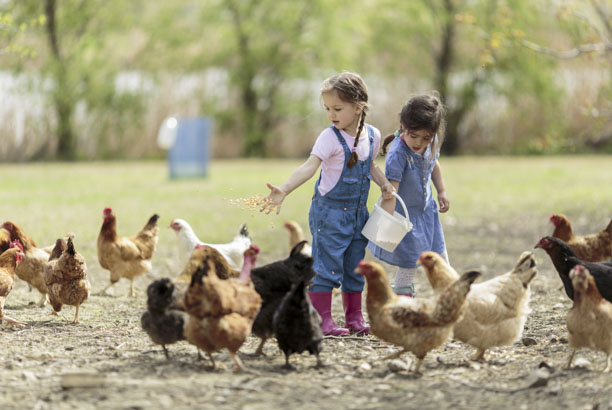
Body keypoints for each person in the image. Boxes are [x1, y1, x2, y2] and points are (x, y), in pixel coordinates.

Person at [260, 72, 395, 336]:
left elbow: (370, 166)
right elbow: (310, 167)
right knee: (326, 267)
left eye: (337, 108)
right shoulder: (329, 138)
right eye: (327, 109)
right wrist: (284, 189)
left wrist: (384, 184)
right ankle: (322, 319)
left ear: (358, 107)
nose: (331, 114)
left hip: (359, 214)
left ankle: (354, 317)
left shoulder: (372, 135)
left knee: (355, 266)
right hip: (329, 214)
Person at [371, 93, 450, 297]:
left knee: (440, 254)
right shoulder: (398, 154)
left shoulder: (431, 143)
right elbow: (392, 192)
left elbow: (433, 164)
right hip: (406, 217)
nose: (419, 142)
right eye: (413, 136)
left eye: (425, 137)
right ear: (403, 127)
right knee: (409, 263)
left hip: (426, 212)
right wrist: (385, 224)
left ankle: (449, 293)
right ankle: (402, 299)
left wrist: (441, 190)